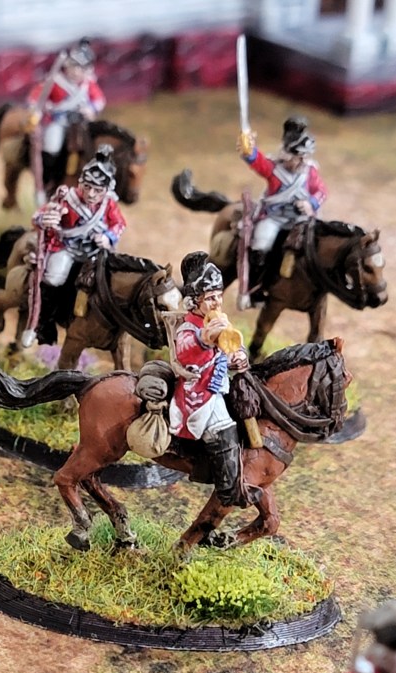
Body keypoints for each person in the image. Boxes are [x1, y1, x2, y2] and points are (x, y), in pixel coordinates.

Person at [168, 251, 253, 508]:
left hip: (220, 384)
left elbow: (233, 346)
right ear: (196, 301)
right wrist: (204, 339)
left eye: (219, 296)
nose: (216, 302)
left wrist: (239, 357)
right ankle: (228, 490)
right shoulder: (190, 327)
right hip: (199, 388)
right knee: (222, 428)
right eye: (210, 298)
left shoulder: (220, 322)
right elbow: (184, 352)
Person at [28, 145, 126, 343]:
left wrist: (108, 237)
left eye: (98, 190)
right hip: (66, 247)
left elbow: (119, 224)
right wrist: (46, 220)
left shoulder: (109, 205)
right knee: (53, 279)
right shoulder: (67, 198)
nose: (91, 194)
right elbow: (38, 216)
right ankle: (45, 325)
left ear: (106, 190)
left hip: (94, 252)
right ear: (81, 183)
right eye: (87, 187)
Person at [237, 115, 327, 308]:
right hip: (274, 217)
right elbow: (256, 160)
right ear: (289, 155)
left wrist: (310, 203)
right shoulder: (274, 170)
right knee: (261, 245)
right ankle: (256, 289)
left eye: (304, 158)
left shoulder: (310, 171)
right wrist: (248, 147)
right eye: (299, 158)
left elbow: (321, 191)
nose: (303, 162)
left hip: (300, 219)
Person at [27, 38, 106, 186]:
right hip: (59, 121)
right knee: (52, 146)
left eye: (81, 68)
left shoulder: (88, 84)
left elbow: (99, 100)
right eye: (73, 67)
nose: (76, 72)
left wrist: (91, 109)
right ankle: (48, 178)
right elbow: (36, 97)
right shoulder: (55, 81)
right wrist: (39, 108)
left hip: (81, 122)